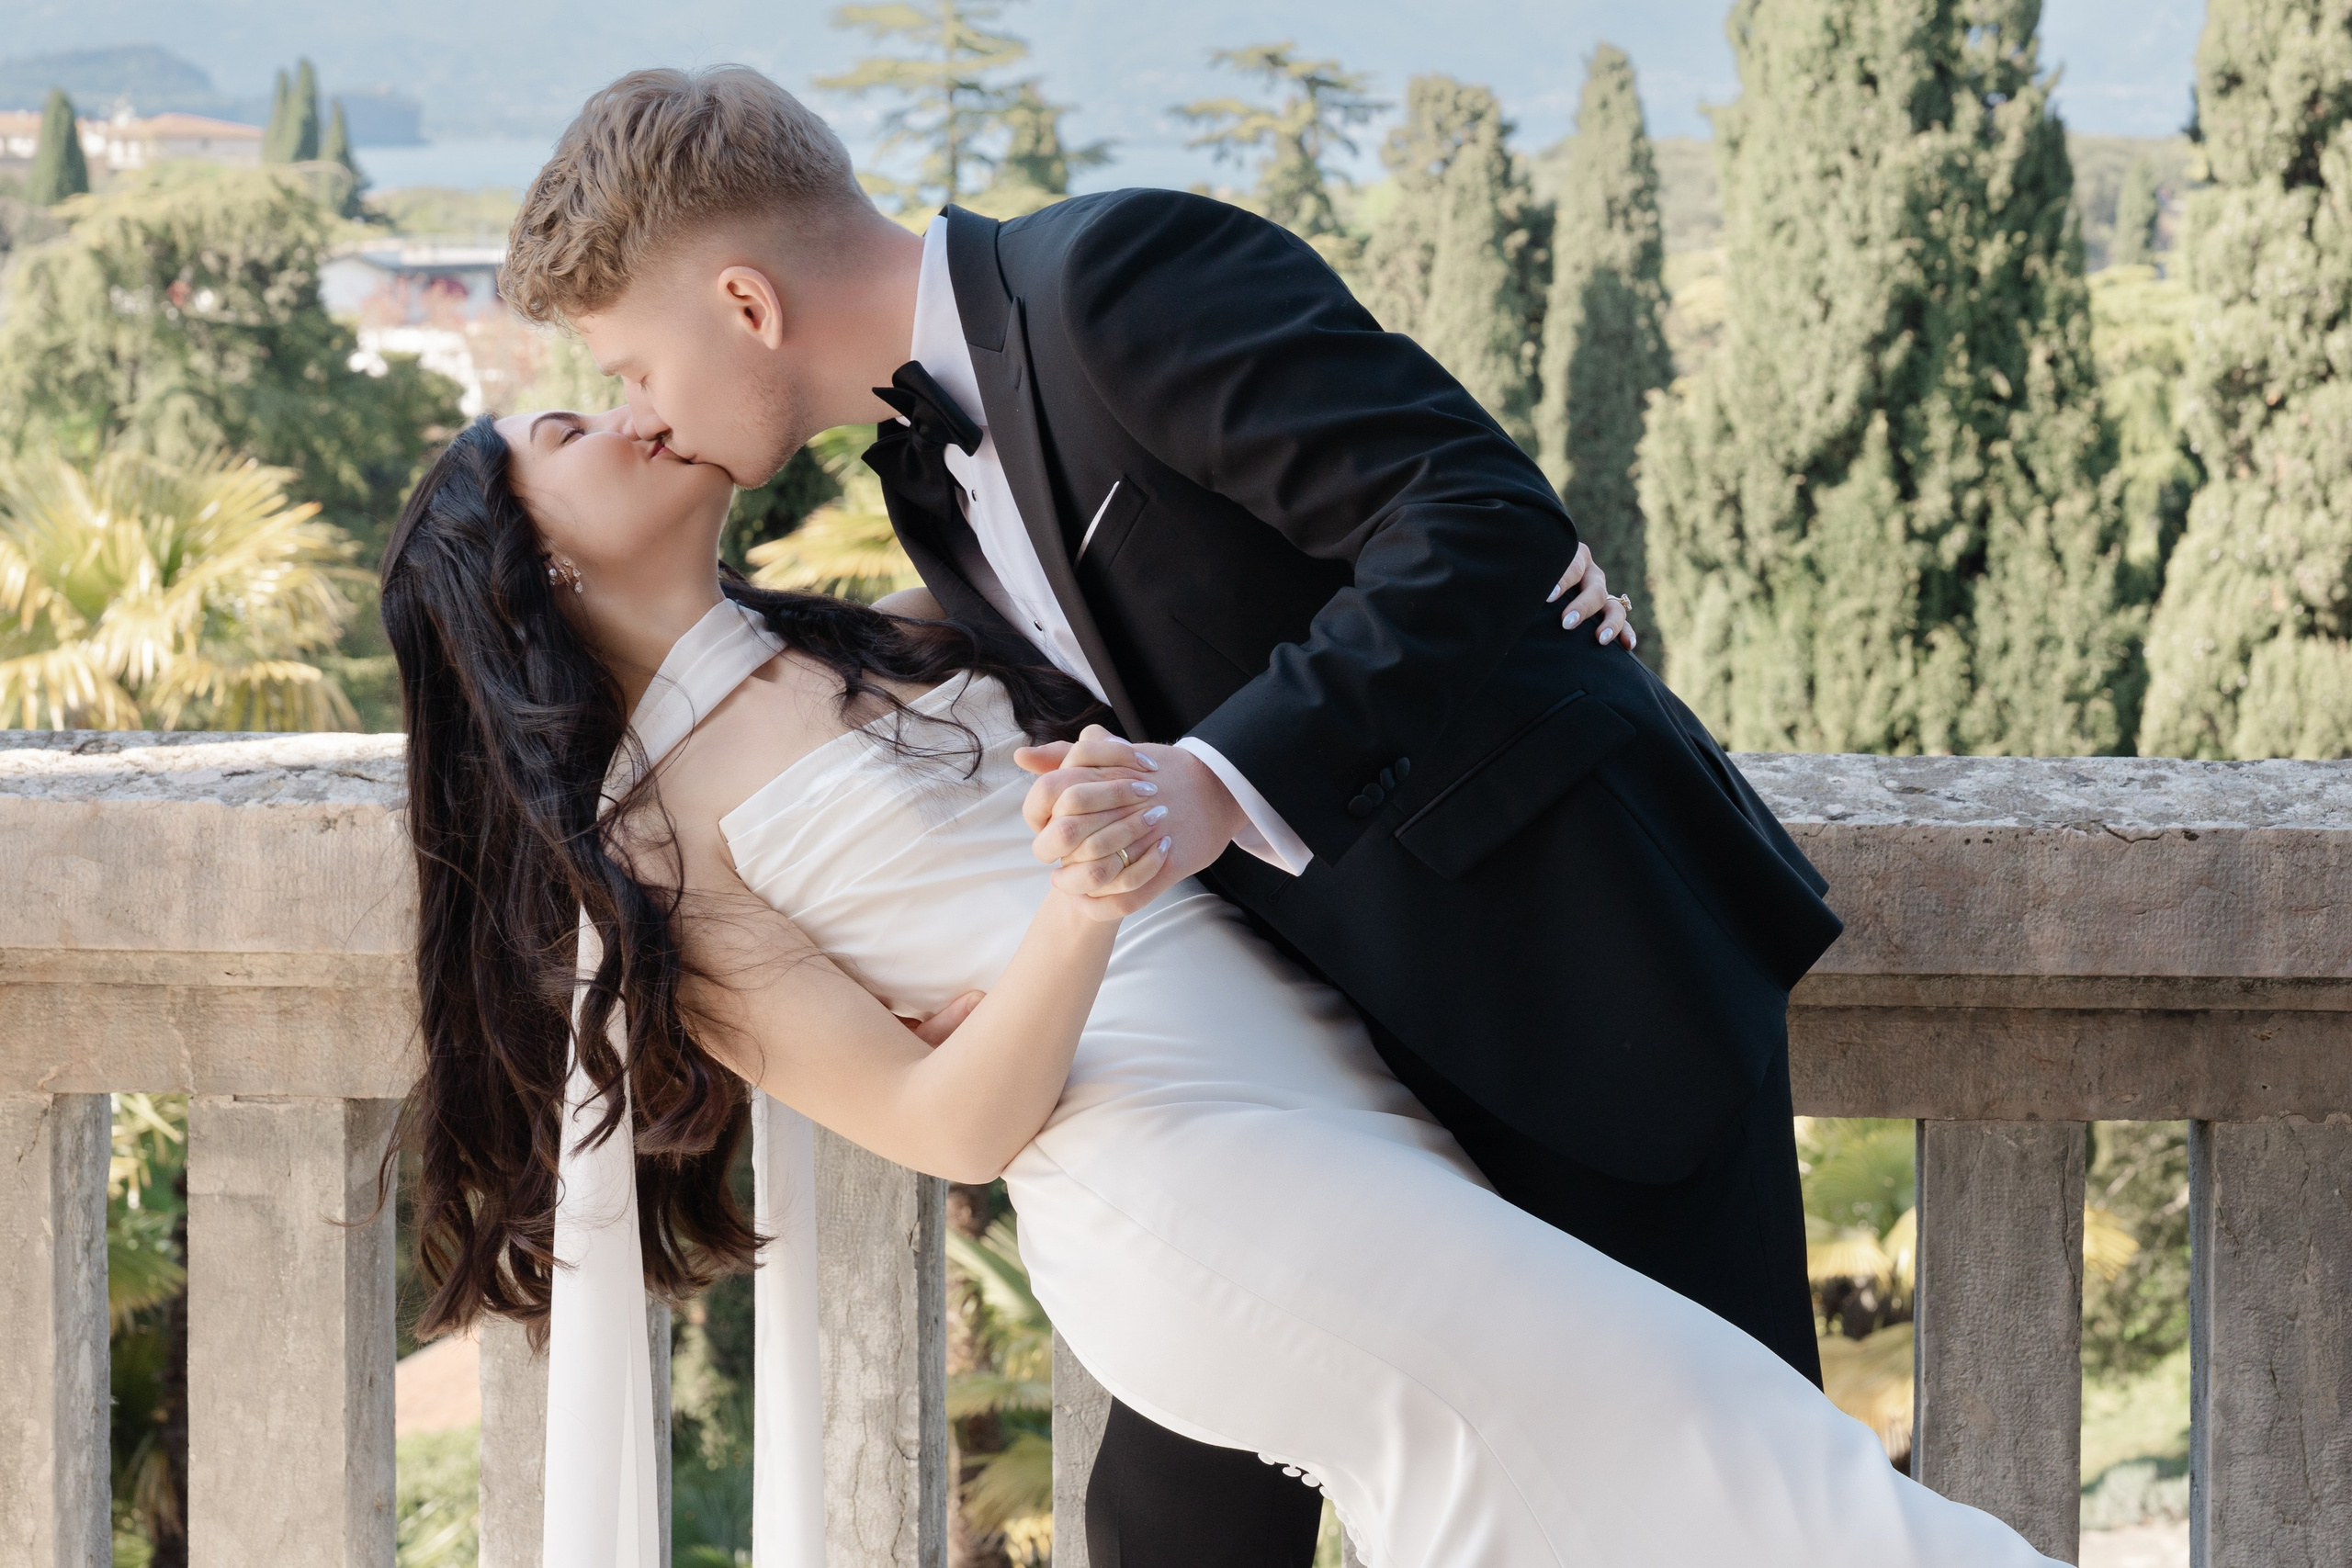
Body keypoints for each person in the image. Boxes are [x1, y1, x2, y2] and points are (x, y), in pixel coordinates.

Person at [492, 65, 1847, 1562]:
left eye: (631, 366)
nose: (640, 411)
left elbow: (1474, 513)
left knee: (1742, 1497)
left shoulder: (1113, 277)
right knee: (1175, 1521)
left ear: (745, 304)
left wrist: (1217, 779)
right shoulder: (922, 486)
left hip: (1570, 975)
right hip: (1293, 1068)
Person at [380, 407, 2060, 1568]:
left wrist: (1528, 602)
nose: (629, 412)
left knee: (1615, 1502)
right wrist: (1080, 909)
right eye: (565, 432)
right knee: (1746, 1458)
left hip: (1333, 1103)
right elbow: (948, 1126)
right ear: (529, 562)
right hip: (1186, 1185)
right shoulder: (650, 846)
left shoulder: (878, 635)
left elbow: (1227, 615)